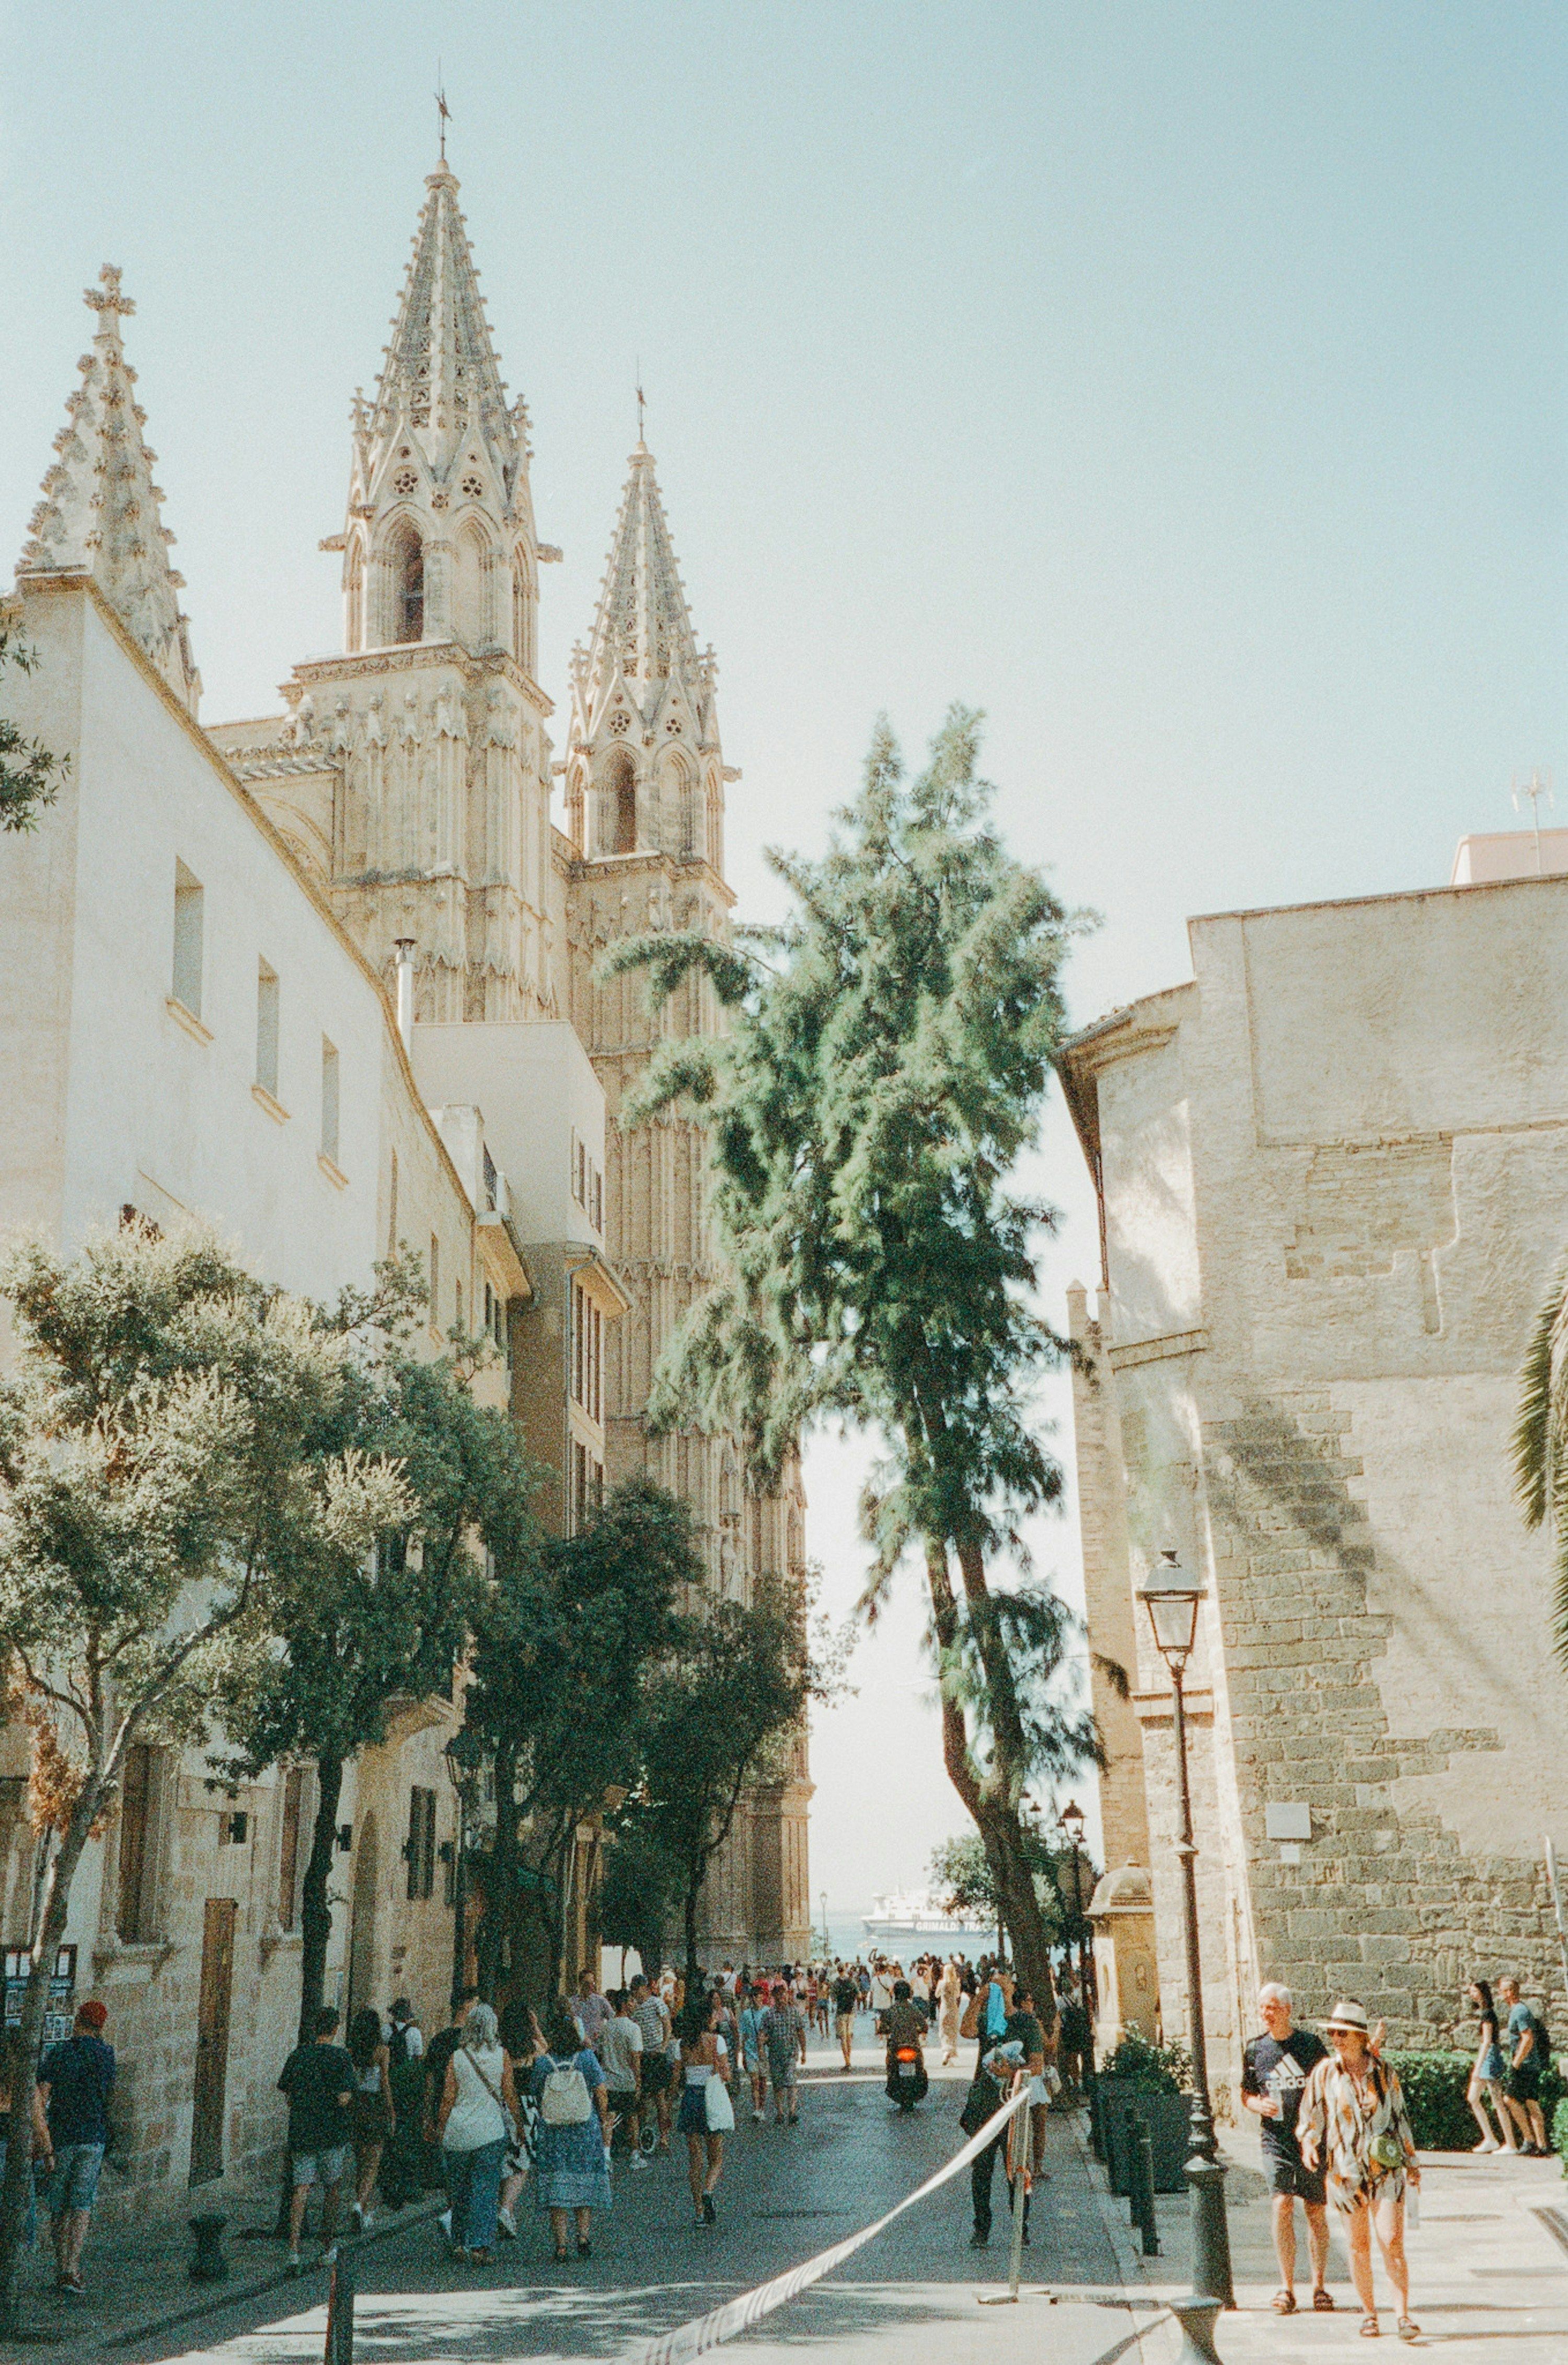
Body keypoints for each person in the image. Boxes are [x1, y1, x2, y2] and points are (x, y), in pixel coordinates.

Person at [1299, 1999, 1420, 2340]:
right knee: (1357, 2244)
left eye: (1343, 2033)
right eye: (1333, 2033)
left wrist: (1412, 2163)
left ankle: (1403, 2316)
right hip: (1345, 2171)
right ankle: (1369, 2315)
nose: (1336, 2039)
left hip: (1385, 2168)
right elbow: (1311, 2115)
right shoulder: (1325, 2072)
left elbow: (1400, 2118)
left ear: (1361, 2037)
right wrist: (1309, 2143)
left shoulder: (1384, 2071)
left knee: (1392, 2240)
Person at [1241, 1982, 1332, 2315]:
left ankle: (1319, 2286)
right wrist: (1256, 2105)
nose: (1268, 2013)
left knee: (1315, 2210)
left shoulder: (1309, 2045)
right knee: (1281, 2204)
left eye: (1274, 2007)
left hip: (1309, 2137)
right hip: (1275, 2137)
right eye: (1263, 2007)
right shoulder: (1254, 2050)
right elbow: (1246, 2092)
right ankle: (1286, 2287)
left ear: (1288, 2010)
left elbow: (1329, 2082)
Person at [37, 1997, 114, 2295]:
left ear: (77, 2022)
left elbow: (42, 2095)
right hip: (93, 2137)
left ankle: (60, 2267)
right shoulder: (106, 2055)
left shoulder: (58, 2053)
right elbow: (108, 2092)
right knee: (81, 2205)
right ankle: (73, 2267)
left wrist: (41, 2136)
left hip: (62, 2137)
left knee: (59, 2204)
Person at [435, 2001, 517, 2264]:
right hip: (490, 2132)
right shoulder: (502, 2055)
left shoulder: (457, 2057)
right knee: (485, 2188)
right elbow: (510, 2095)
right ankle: (480, 2246)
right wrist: (519, 2125)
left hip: (459, 2131)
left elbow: (448, 2098)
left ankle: (459, 2242)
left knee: (460, 2190)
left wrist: (440, 2127)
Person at [532, 1997, 612, 2261]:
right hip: (584, 2127)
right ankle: (584, 2237)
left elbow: (536, 2093)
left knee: (558, 2187)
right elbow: (601, 2092)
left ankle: (561, 2245)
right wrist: (603, 2119)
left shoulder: (544, 2063)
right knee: (584, 2182)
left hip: (554, 2131)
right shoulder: (587, 2059)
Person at [278, 2005, 355, 2271]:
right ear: (335, 2029)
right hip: (331, 2132)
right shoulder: (341, 2058)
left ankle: (293, 2250)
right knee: (332, 2188)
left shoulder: (298, 2056)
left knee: (301, 2188)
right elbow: (345, 2097)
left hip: (302, 2130)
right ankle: (326, 2245)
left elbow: (288, 2095)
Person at [964, 2038, 1028, 2248]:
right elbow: (967, 2029)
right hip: (985, 2108)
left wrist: (1012, 2073)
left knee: (1017, 2173)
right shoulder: (984, 2013)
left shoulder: (1022, 2023)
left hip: (1011, 2110)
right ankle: (981, 2229)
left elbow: (1035, 2065)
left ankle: (1021, 2227)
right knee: (981, 2173)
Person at [676, 1991, 728, 2225]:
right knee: (716, 2157)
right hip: (711, 2098)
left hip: (691, 2097)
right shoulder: (717, 2042)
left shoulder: (682, 2045)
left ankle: (698, 2211)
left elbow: (676, 2078)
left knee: (695, 2160)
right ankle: (709, 2190)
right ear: (706, 2019)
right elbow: (725, 2074)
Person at [0, 2028, 52, 2254]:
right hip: (18, 2149)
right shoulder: (25, 2084)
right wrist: (49, 2152)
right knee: (24, 2199)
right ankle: (22, 2243)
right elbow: (39, 2121)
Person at [498, 1996, 544, 2238]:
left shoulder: (499, 2046)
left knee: (503, 2159)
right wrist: (536, 2027)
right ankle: (506, 2210)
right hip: (526, 2108)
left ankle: (499, 2208)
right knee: (522, 2162)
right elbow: (546, 2052)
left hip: (500, 2106)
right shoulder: (531, 2049)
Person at [345, 2005, 393, 2226]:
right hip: (374, 2104)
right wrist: (391, 2111)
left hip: (356, 2104)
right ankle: (358, 2203)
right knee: (373, 2163)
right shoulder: (382, 2051)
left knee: (360, 2160)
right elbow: (385, 2083)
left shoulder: (351, 2050)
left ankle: (364, 2212)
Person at [1497, 1978, 1550, 2154]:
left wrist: (1515, 2064)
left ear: (1510, 1992)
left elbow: (1527, 2038)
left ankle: (1530, 2140)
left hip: (1525, 2065)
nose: (1501, 1994)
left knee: (1510, 2099)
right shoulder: (1519, 2010)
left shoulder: (1519, 2011)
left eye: (1503, 1991)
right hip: (1530, 2064)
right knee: (1531, 2102)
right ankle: (1541, 2145)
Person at [381, 1999, 425, 2206]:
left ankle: (388, 2177)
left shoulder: (385, 2031)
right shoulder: (414, 2033)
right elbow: (418, 2059)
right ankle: (407, 2183)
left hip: (388, 2079)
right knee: (407, 2131)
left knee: (390, 2129)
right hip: (406, 2084)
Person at [1465, 1979, 1515, 2154]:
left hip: (1489, 2057)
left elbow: (1487, 2042)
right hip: (1487, 2057)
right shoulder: (1485, 2013)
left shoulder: (1488, 2014)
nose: (1472, 1994)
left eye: (1474, 1991)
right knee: (1473, 2098)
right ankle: (1491, 2139)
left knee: (1497, 2102)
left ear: (1482, 1993)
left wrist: (1478, 2067)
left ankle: (1511, 2144)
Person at [598, 1990, 647, 2165]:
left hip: (609, 2079)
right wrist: (638, 2082)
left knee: (608, 2117)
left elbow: (602, 2053)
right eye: (632, 2001)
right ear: (625, 2004)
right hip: (627, 2080)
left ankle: (606, 2156)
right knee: (632, 2117)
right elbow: (636, 2058)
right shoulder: (633, 2028)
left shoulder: (606, 2027)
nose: (634, 2004)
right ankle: (635, 2154)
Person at [630, 1975, 674, 2154]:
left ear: (644, 1988)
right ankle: (644, 2135)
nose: (636, 1993)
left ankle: (664, 2137)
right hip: (643, 2056)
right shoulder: (634, 2009)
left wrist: (664, 2046)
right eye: (634, 1990)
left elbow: (667, 2025)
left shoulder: (657, 2003)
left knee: (660, 2098)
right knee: (642, 2099)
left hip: (657, 2055)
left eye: (637, 1989)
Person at [880, 1978, 930, 2110]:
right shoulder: (914, 2009)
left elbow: (883, 2028)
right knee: (920, 2064)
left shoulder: (891, 2010)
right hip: (913, 2045)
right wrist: (919, 2030)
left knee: (890, 2065)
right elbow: (925, 2026)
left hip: (896, 2045)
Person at [762, 1978, 806, 2125]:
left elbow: (800, 2032)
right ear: (774, 1998)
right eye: (779, 1997)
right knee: (778, 2084)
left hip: (791, 2054)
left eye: (784, 1996)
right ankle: (780, 2112)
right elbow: (763, 2034)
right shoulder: (769, 2015)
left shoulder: (794, 2013)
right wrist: (761, 2049)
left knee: (791, 2083)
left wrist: (804, 2052)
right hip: (775, 2055)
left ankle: (792, 2111)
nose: (782, 1999)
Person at [740, 1982, 770, 2118]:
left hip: (764, 2052)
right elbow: (744, 2035)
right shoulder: (746, 2015)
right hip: (751, 2051)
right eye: (756, 1997)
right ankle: (756, 2108)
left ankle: (762, 2107)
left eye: (760, 1997)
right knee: (754, 2082)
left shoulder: (767, 2012)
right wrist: (743, 2055)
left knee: (763, 2082)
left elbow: (771, 2033)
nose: (758, 2000)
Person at [833, 1965, 860, 2071]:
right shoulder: (852, 1982)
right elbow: (859, 1996)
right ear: (845, 1970)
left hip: (841, 2012)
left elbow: (834, 1999)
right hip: (851, 2012)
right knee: (849, 2037)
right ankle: (850, 2058)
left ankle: (847, 2061)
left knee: (843, 2038)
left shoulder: (836, 1983)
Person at [939, 1957, 962, 2065]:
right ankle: (950, 2052)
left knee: (944, 2032)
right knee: (953, 2032)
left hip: (944, 2009)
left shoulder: (942, 1983)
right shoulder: (955, 1983)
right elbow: (957, 1995)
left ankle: (946, 2051)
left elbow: (936, 1995)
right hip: (953, 2009)